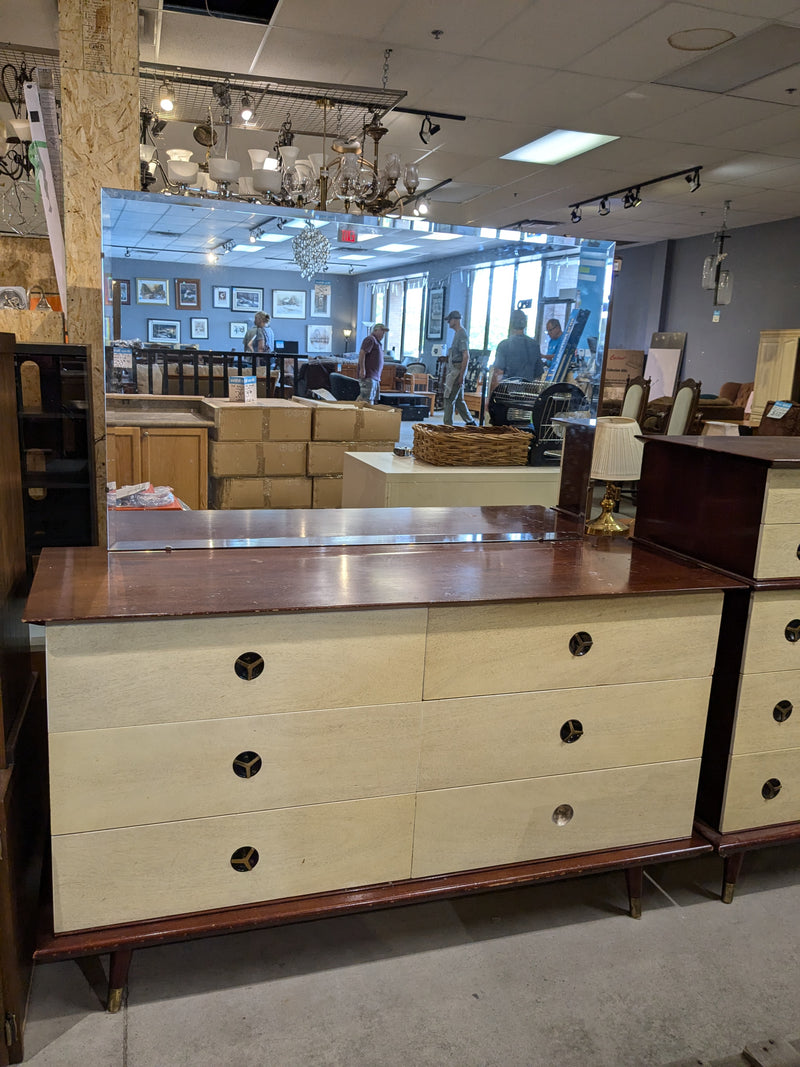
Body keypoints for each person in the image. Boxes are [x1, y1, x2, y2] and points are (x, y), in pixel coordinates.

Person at [489, 309, 544, 393]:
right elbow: (538, 375)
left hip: (507, 395)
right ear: (525, 324)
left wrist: (490, 397)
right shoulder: (534, 345)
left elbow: (498, 374)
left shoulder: (504, 345)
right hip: (528, 395)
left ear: (511, 324)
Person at [442, 310, 477, 426]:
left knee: (448, 399)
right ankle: (471, 422)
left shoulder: (462, 334)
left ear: (455, 320)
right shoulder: (457, 334)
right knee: (458, 400)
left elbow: (466, 356)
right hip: (455, 369)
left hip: (457, 370)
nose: (448, 323)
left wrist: (461, 375)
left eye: (449, 320)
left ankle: (447, 428)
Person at [357, 322, 388, 403]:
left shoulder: (377, 342)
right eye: (382, 331)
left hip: (375, 377)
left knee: (370, 400)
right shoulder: (370, 339)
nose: (383, 334)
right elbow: (362, 353)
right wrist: (362, 369)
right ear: (376, 330)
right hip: (368, 376)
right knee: (366, 400)